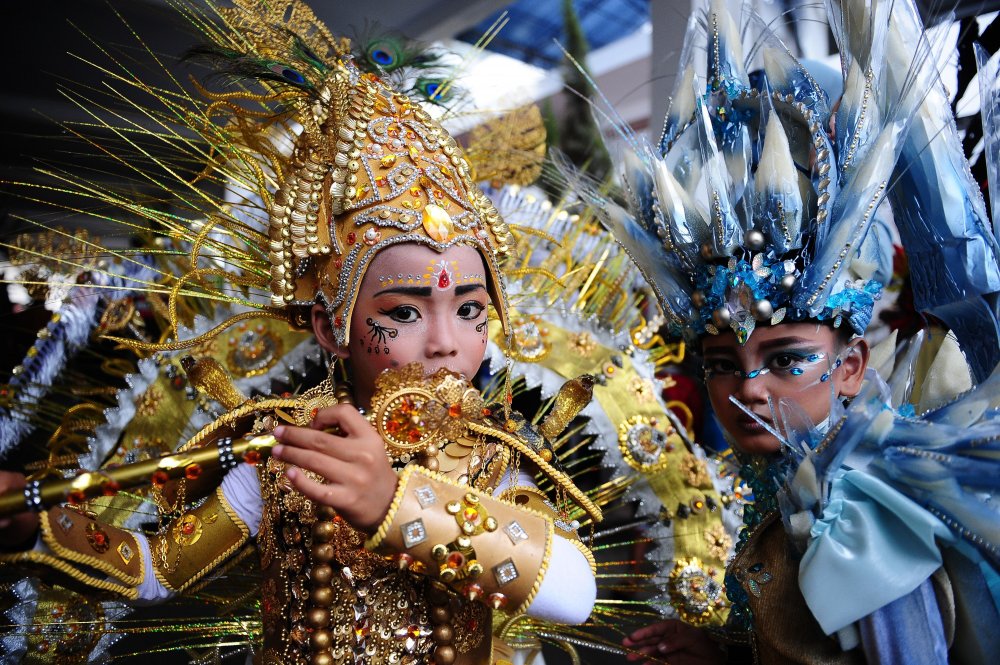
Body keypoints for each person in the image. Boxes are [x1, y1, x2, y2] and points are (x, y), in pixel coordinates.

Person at [0, 1, 599, 662]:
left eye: (470, 310)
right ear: (333, 326)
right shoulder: (287, 451)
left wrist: (394, 504)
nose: (445, 342)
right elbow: (157, 570)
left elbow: (573, 590)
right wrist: (45, 521)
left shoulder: (492, 455)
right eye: (403, 312)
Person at [565, 0, 1000, 662]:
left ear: (851, 363)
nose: (748, 388)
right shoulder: (784, 482)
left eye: (785, 359)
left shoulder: (858, 508)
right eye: (721, 363)